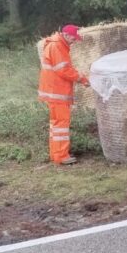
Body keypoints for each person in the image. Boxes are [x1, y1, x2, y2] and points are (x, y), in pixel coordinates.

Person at [38, 24, 90, 165]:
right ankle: (61, 156)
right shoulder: (57, 46)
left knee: (56, 126)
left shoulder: (56, 44)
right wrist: (82, 78)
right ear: (66, 35)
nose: (74, 40)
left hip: (54, 92)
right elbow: (64, 70)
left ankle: (57, 155)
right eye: (73, 37)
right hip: (57, 92)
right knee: (61, 125)